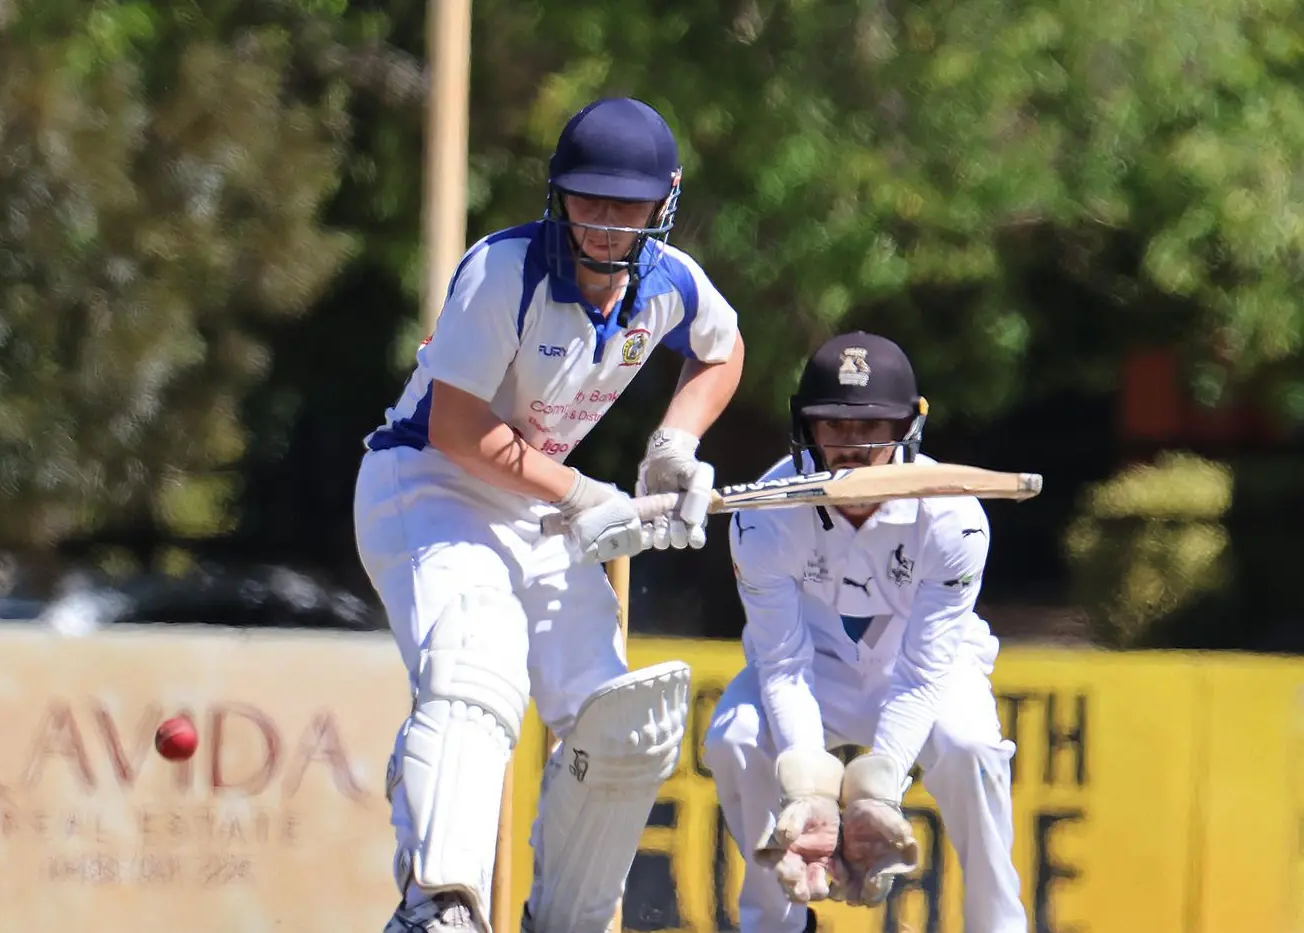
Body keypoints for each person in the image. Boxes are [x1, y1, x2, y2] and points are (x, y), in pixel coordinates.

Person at [354, 96, 746, 933]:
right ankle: (437, 908)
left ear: (665, 200)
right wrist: (580, 494)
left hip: (531, 500)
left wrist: (673, 444)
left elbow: (723, 349)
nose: (604, 223)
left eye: (627, 206)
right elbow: (457, 429)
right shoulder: (506, 273)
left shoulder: (671, 283)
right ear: (557, 193)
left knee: (623, 726)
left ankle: (564, 920)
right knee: (475, 664)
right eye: (587, 199)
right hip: (426, 485)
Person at [702, 331, 1026, 933]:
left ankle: (998, 924)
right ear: (806, 426)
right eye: (834, 425)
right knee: (735, 740)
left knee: (971, 750)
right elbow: (783, 664)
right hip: (813, 671)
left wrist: (879, 789)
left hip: (924, 667)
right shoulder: (764, 515)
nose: (851, 446)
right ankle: (776, 924)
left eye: (871, 426)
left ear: (907, 426)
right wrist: (809, 788)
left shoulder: (954, 520)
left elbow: (923, 672)